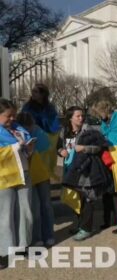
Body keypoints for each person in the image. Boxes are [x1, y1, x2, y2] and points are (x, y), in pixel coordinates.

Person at [58, 106, 107, 241]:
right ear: (70, 118)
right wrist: (61, 151)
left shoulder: (88, 130)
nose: (81, 118)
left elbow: (98, 147)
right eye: (78, 116)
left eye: (82, 115)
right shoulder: (64, 131)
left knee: (86, 198)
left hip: (85, 170)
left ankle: (86, 229)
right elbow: (58, 146)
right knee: (75, 199)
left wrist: (84, 148)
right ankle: (80, 225)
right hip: (70, 170)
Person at [89, 88, 117, 234]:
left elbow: (114, 138)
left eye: (99, 113)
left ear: (105, 110)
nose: (98, 117)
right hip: (111, 159)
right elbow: (105, 137)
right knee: (108, 192)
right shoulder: (106, 122)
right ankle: (109, 220)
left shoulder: (116, 120)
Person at [0, 99, 34, 270]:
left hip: (23, 175)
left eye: (13, 115)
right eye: (8, 116)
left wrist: (28, 146)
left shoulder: (18, 128)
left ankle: (23, 245)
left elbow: (28, 149)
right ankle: (4, 252)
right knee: (5, 215)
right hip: (4, 177)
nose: (12, 118)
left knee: (26, 211)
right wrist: (16, 146)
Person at [16, 112, 55, 247]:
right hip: (30, 175)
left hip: (40, 174)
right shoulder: (17, 134)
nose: (29, 130)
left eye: (30, 127)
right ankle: (38, 237)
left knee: (44, 206)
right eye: (26, 127)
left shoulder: (38, 133)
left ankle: (48, 235)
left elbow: (46, 147)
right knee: (36, 208)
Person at [21, 83, 60, 178]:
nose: (32, 94)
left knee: (46, 163)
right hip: (33, 136)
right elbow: (23, 120)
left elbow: (54, 122)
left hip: (47, 137)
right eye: (32, 91)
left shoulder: (50, 108)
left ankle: (45, 177)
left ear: (43, 94)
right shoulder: (28, 106)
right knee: (34, 160)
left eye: (35, 92)